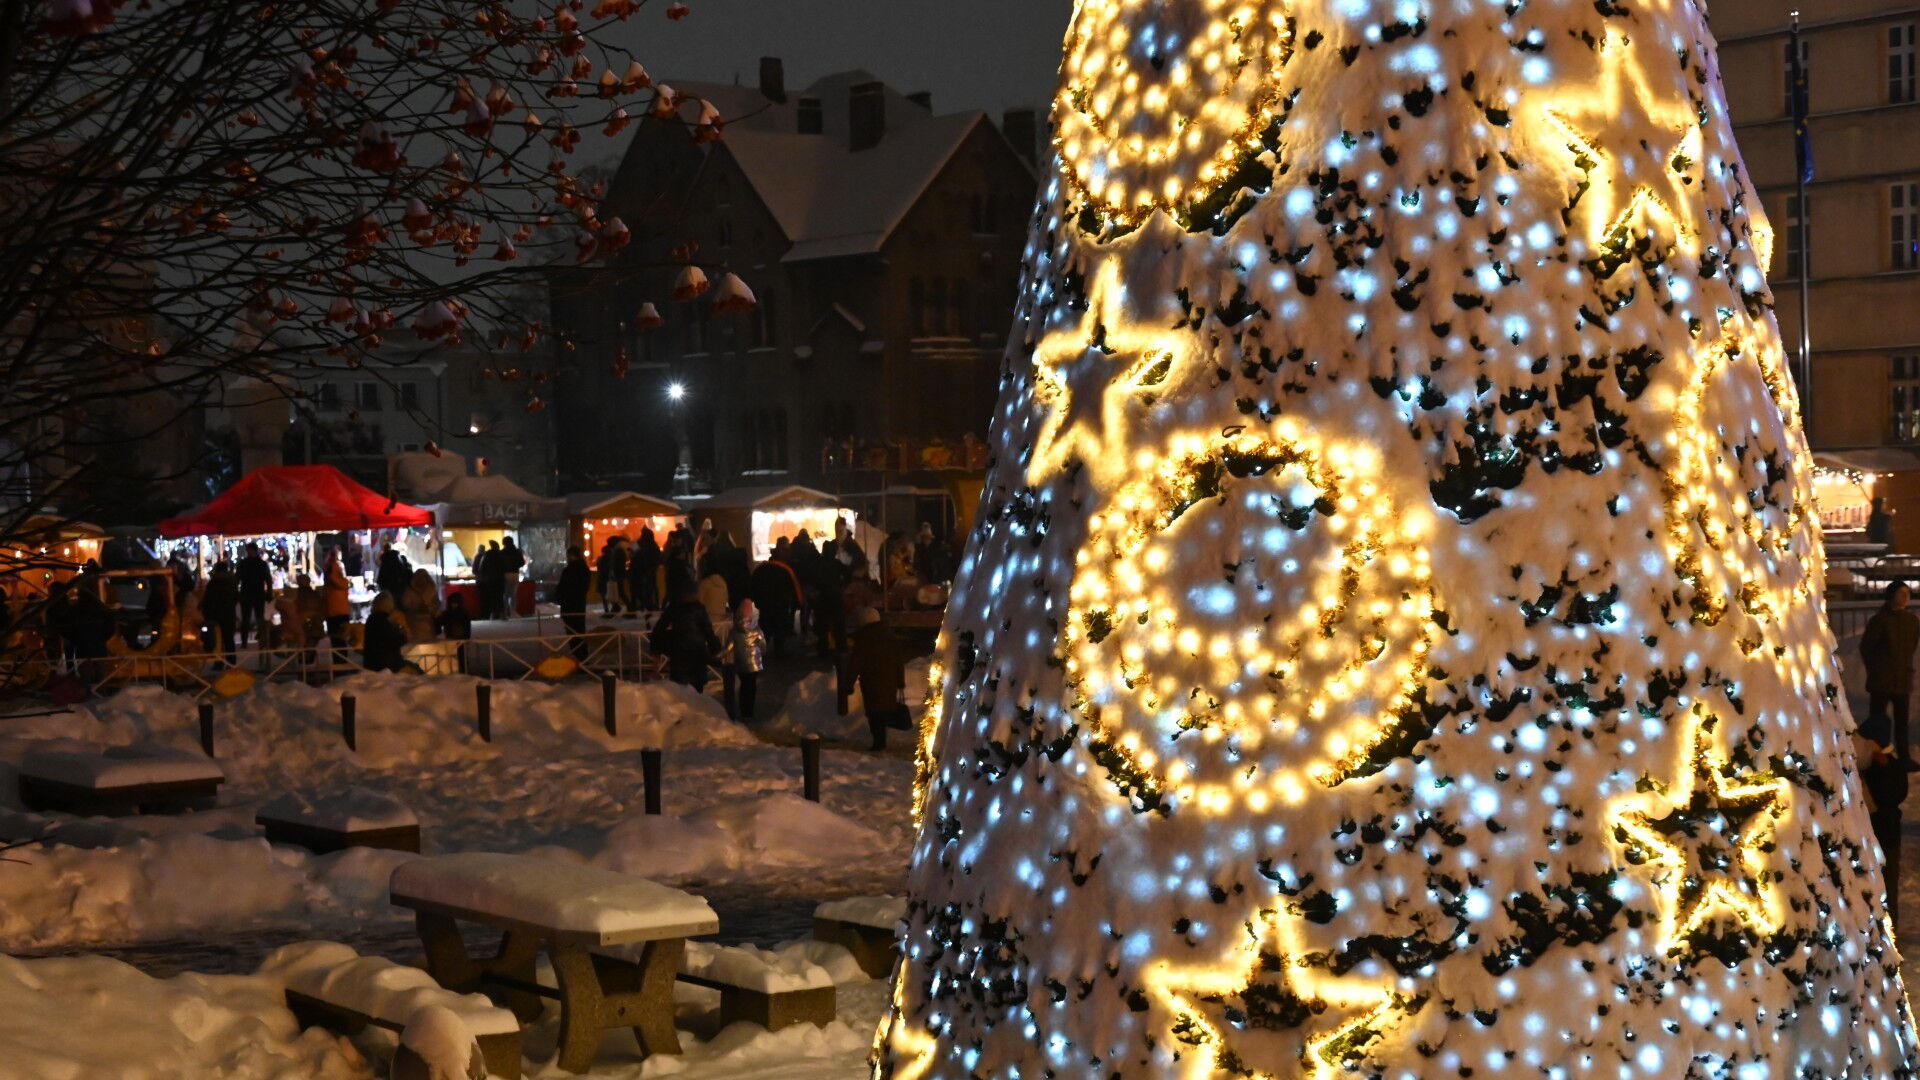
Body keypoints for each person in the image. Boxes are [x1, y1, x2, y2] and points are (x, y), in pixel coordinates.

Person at [1855, 710, 1910, 930]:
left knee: (1886, 886)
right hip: (1886, 833)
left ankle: (1888, 930)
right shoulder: (1883, 766)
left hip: (1884, 834)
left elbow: (1891, 795)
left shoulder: (1883, 767)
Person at [1862, 581, 1920, 760]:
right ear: (1891, 596)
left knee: (1902, 721)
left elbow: (1912, 646)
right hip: (1882, 680)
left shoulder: (1911, 620)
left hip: (1902, 679)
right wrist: (1877, 669)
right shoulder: (1880, 620)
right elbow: (1867, 648)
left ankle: (1904, 757)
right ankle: (1877, 757)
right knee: (1878, 720)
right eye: (1901, 593)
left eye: (1907, 593)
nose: (1905, 597)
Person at [847, 607, 911, 751]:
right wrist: (900, 681)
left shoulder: (863, 639)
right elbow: (898, 662)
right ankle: (880, 741)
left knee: (874, 712)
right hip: (889, 682)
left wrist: (848, 684)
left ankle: (878, 743)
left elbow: (855, 664)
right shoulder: (890, 637)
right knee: (884, 710)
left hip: (871, 682)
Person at [649, 583, 719, 689]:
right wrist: (715, 647)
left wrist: (663, 641)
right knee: (697, 690)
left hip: (679, 653)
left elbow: (659, 628)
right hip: (697, 653)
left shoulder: (674, 607)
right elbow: (708, 630)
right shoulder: (699, 608)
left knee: (680, 689)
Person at [749, 544, 802, 657]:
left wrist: (756, 600)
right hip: (780, 605)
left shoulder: (761, 568)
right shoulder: (786, 569)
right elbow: (795, 587)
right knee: (780, 629)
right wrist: (799, 601)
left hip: (765, 605)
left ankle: (761, 651)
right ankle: (779, 651)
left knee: (765, 628)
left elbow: (753, 585)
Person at [728, 599, 767, 721]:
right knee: (751, 686)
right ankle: (749, 711)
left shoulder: (734, 632)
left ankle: (744, 710)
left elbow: (728, 648)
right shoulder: (756, 630)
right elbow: (763, 646)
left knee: (744, 685)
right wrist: (760, 655)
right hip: (754, 664)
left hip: (741, 663)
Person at [555, 546, 593, 660]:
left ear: (571, 555)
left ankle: (578, 655)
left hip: (569, 604)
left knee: (572, 631)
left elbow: (563, 587)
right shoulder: (584, 569)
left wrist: (559, 598)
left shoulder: (570, 570)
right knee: (580, 629)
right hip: (579, 603)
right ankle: (582, 655)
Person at [361, 592, 409, 672]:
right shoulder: (383, 620)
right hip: (386, 666)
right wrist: (403, 632)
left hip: (373, 664)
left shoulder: (372, 619)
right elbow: (393, 641)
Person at [236, 541, 272, 646]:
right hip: (256, 592)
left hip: (248, 592)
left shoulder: (244, 563)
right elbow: (268, 579)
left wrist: (236, 593)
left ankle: (247, 641)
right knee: (255, 617)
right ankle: (257, 640)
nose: (248, 552)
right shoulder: (261, 564)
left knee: (249, 618)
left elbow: (237, 578)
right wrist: (269, 592)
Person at [201, 560, 239, 660]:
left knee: (217, 640)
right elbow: (235, 598)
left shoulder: (213, 582)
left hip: (215, 614)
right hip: (228, 614)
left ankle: (219, 662)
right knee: (228, 639)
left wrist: (205, 611)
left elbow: (207, 599)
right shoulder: (232, 582)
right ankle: (231, 661)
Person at [401, 568, 441, 643]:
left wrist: (431, 610)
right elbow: (405, 606)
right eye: (419, 579)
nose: (421, 581)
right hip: (414, 626)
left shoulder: (431, 590)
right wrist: (417, 608)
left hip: (429, 625)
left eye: (423, 578)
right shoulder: (410, 592)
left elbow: (437, 604)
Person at [322, 549, 352, 642]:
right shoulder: (335, 568)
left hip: (331, 610)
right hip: (340, 610)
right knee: (341, 637)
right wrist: (347, 582)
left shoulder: (328, 569)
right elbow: (341, 583)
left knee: (334, 638)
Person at [630, 529, 662, 613]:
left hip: (644, 571)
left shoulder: (645, 546)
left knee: (644, 590)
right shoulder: (653, 545)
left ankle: (649, 606)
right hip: (649, 570)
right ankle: (651, 605)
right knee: (650, 589)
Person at [598, 535, 628, 615]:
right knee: (618, 592)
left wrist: (613, 572)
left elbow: (616, 564)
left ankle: (627, 608)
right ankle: (617, 608)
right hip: (617, 575)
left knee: (619, 592)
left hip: (617, 575)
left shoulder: (617, 551)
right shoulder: (618, 550)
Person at [498, 537, 526, 619]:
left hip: (505, 574)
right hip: (515, 573)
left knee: (505, 594)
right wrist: (516, 565)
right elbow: (522, 562)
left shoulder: (501, 552)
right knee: (513, 594)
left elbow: (499, 564)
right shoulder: (517, 551)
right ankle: (513, 612)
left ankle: (505, 612)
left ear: (504, 543)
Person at [477, 540, 505, 620]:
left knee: (491, 596)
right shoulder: (501, 554)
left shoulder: (486, 555)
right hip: (500, 578)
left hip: (489, 579)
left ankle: (493, 614)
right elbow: (504, 566)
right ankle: (502, 613)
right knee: (500, 596)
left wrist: (483, 577)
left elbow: (481, 567)